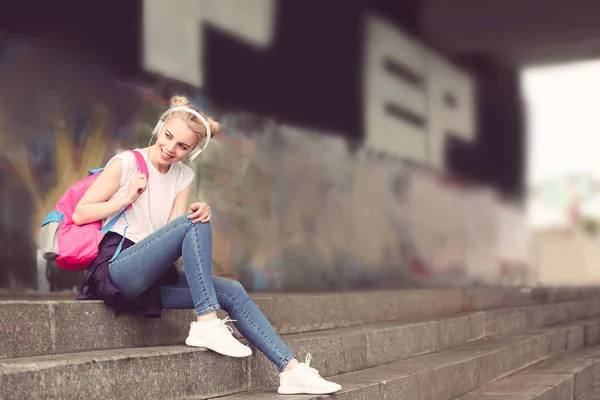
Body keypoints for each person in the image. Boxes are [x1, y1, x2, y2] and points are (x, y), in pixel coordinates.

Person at [74, 96, 341, 395]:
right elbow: (81, 212)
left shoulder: (183, 176)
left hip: (154, 275)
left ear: (193, 151)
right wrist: (126, 198)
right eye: (168, 136)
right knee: (194, 222)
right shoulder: (126, 162)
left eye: (182, 146)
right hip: (118, 268)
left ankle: (290, 370)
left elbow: (170, 233)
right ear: (160, 128)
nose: (171, 148)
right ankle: (206, 322)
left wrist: (196, 215)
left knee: (231, 288)